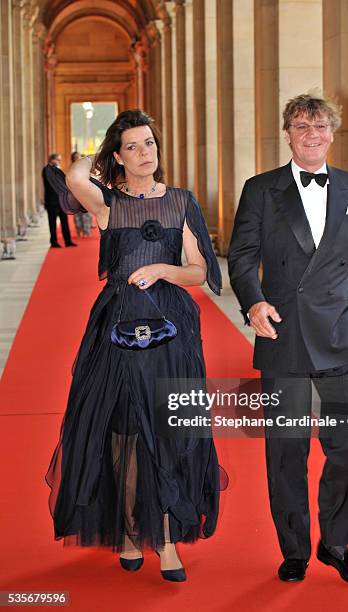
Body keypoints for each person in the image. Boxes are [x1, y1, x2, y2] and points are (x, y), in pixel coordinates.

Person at [45, 109, 225, 582]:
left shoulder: (181, 202)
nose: (146, 153)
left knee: (168, 432)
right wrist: (96, 158)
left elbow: (199, 271)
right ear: (119, 156)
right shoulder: (107, 206)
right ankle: (128, 533)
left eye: (150, 143)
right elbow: (76, 175)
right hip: (118, 330)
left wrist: (164, 270)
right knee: (122, 431)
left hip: (171, 330)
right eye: (134, 146)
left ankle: (166, 541)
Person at [228, 94, 348, 585]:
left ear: (333, 134)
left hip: (340, 337)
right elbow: (241, 256)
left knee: (344, 448)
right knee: (286, 448)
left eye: (319, 126)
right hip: (283, 333)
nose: (311, 134)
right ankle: (293, 548)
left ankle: (335, 544)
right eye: (301, 126)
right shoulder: (260, 189)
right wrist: (253, 302)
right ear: (287, 133)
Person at [42, 153, 77, 248]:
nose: (59, 161)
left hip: (61, 201)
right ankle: (54, 242)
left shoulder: (56, 169)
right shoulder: (47, 170)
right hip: (52, 201)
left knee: (64, 222)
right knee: (52, 223)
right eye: (58, 160)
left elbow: (64, 180)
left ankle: (68, 241)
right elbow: (55, 184)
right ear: (52, 159)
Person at [70, 152, 93, 238]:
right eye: (75, 157)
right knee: (77, 215)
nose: (77, 158)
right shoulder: (71, 168)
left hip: (85, 193)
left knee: (86, 213)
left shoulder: (86, 168)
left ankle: (86, 230)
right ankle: (79, 230)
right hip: (74, 194)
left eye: (78, 157)